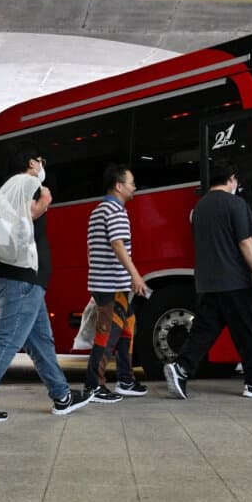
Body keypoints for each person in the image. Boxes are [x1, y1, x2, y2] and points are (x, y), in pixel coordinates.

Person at [0, 143, 93, 422]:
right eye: (40, 160)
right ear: (32, 164)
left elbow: (2, 236)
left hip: (15, 280)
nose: (43, 166)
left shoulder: (8, 189)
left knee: (41, 341)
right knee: (7, 340)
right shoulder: (27, 185)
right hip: (21, 282)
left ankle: (62, 396)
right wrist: (45, 198)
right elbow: (25, 217)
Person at [163, 160, 252, 400]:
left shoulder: (199, 208)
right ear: (231, 179)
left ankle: (181, 367)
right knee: (249, 332)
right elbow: (245, 242)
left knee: (203, 332)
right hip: (236, 281)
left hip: (207, 283)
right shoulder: (236, 204)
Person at [84, 164, 150, 403]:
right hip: (111, 285)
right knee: (107, 333)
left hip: (107, 282)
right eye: (131, 183)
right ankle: (94, 385)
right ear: (119, 186)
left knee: (127, 325)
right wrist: (135, 275)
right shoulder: (115, 211)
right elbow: (118, 244)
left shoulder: (99, 210)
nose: (134, 188)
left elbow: (95, 248)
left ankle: (125, 379)